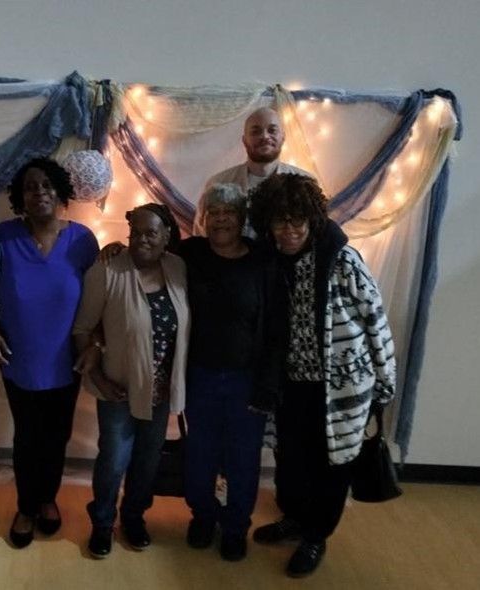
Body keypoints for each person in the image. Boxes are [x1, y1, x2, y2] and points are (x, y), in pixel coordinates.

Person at [247, 173, 396, 578]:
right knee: (291, 460)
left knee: (333, 465)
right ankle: (294, 518)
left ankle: (316, 535)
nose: (290, 230)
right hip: (291, 385)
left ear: (312, 219)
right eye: (280, 221)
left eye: (298, 220)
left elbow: (375, 319)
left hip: (342, 386)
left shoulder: (343, 260)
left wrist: (385, 383)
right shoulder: (270, 262)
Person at [0, 157, 99, 548]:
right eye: (31, 187)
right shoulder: (3, 236)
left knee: (57, 435)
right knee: (27, 436)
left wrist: (96, 344)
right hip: (20, 356)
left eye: (48, 185)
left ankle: (47, 499)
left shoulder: (82, 239)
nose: (40, 193)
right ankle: (26, 506)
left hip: (67, 358)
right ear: (20, 196)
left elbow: (99, 299)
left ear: (61, 192)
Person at [73, 204, 190, 559]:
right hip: (118, 388)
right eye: (135, 232)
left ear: (167, 235)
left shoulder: (178, 267)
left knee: (147, 462)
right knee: (114, 459)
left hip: (161, 392)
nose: (141, 240)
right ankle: (103, 523)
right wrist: (96, 375)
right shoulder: (107, 270)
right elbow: (82, 329)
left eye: (150, 233)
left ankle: (134, 517)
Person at [180, 184, 284, 561]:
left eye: (229, 212)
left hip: (246, 380)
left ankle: (237, 526)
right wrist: (116, 248)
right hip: (200, 376)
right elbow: (150, 239)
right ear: (205, 218)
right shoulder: (189, 253)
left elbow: (275, 328)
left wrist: (267, 385)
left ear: (242, 220)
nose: (221, 218)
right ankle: (203, 517)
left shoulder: (262, 261)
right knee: (200, 454)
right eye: (214, 211)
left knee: (243, 458)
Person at [192, 107, 312, 236]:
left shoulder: (305, 183)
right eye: (256, 132)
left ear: (283, 137)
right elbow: (201, 234)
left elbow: (316, 232)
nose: (265, 136)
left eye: (272, 130)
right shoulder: (218, 183)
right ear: (244, 140)